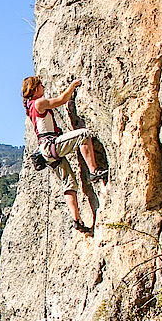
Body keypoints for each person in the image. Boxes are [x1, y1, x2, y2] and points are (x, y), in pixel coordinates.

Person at [22, 76, 107, 232]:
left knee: (69, 184)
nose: (43, 87)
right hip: (51, 145)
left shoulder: (30, 107)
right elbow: (62, 99)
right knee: (83, 135)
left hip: (46, 152)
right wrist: (73, 85)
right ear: (34, 89)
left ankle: (77, 220)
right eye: (40, 85)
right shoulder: (39, 102)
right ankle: (94, 171)